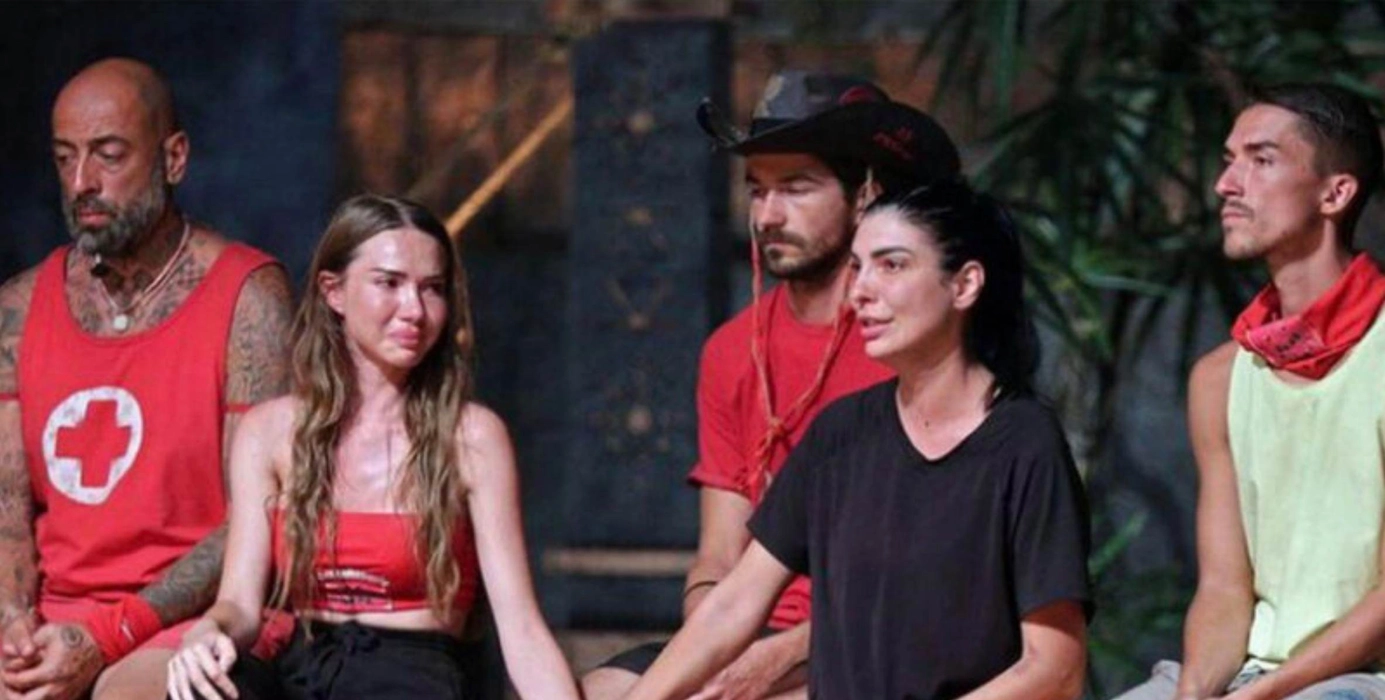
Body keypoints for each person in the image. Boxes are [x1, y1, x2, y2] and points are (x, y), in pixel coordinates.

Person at [623, 180, 1091, 700]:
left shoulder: (1024, 443)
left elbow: (1054, 668)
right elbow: (735, 604)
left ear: (964, 285)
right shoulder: (840, 432)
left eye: (891, 265)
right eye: (857, 267)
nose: (860, 292)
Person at [581, 70, 963, 699]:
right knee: (592, 690)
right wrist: (711, 643)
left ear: (865, 194)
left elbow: (935, 575)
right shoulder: (732, 350)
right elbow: (718, 554)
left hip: (874, 639)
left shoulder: (909, 346)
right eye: (757, 190)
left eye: (796, 188)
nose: (768, 215)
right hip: (745, 630)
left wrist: (771, 660)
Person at [166, 194, 580, 700]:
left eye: (432, 289)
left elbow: (523, 631)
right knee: (205, 687)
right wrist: (210, 630)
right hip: (307, 668)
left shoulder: (471, 436)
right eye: (389, 283)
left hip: (414, 677)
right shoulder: (269, 432)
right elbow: (239, 604)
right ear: (334, 292)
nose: (415, 310)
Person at [0, 58, 293, 700]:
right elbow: (7, 504)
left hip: (193, 620)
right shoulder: (18, 307)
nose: (82, 182)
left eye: (108, 156)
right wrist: (13, 625)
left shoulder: (248, 297)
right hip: (58, 618)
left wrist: (110, 634)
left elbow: (258, 515)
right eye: (65, 158)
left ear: (174, 158)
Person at [1113, 85, 1385, 700]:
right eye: (1229, 160)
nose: (1226, 184)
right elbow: (1224, 590)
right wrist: (1195, 696)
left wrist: (1261, 695)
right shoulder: (1219, 378)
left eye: (1261, 160)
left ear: (1335, 193)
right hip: (1254, 674)